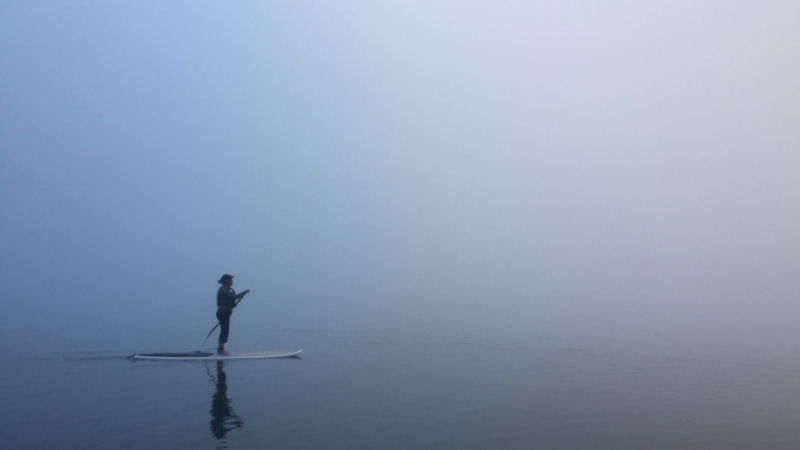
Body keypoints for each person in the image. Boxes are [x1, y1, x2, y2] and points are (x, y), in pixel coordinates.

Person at [216, 274, 249, 355]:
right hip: (223, 313)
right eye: (230, 280)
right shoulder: (224, 290)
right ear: (226, 281)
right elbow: (234, 297)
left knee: (225, 330)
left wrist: (231, 305)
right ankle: (220, 350)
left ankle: (220, 349)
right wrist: (244, 292)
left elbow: (228, 300)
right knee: (224, 330)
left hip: (224, 312)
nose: (232, 282)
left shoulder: (226, 289)